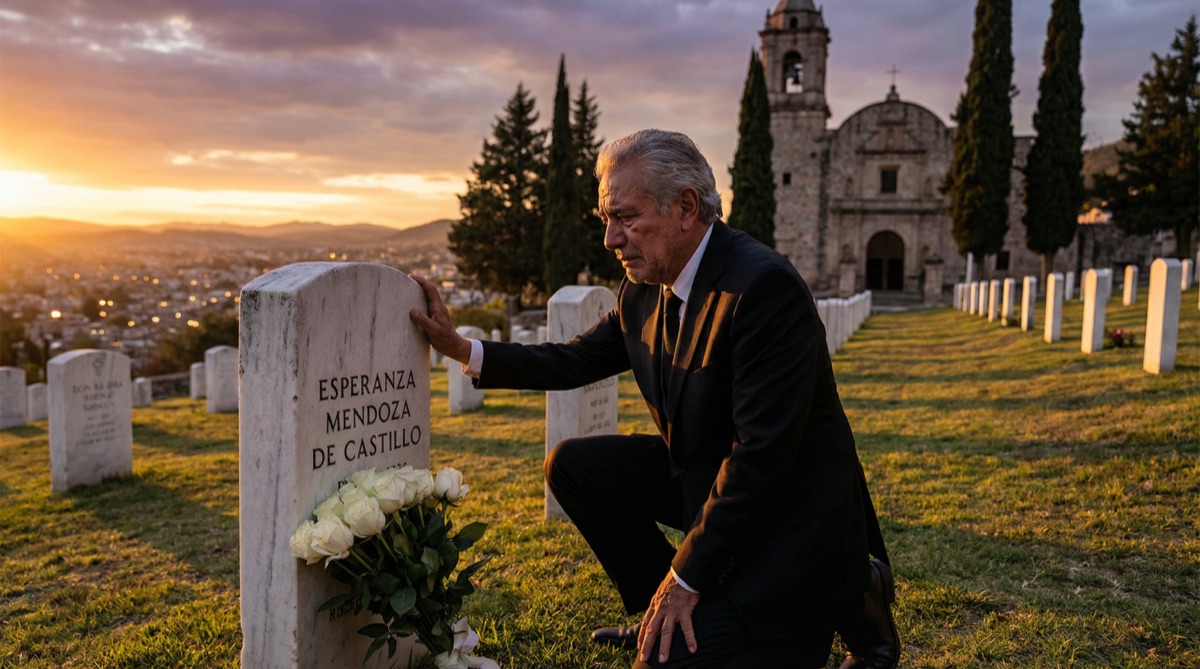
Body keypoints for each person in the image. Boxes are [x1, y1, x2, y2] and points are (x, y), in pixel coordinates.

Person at [410, 129, 897, 668]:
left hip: (787, 515)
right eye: (606, 220)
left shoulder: (762, 290)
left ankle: (852, 590)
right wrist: (462, 348)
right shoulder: (644, 286)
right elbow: (575, 360)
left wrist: (685, 579)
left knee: (663, 665)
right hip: (703, 480)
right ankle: (656, 611)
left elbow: (762, 457)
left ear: (685, 207)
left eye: (625, 218)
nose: (610, 240)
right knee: (573, 465)